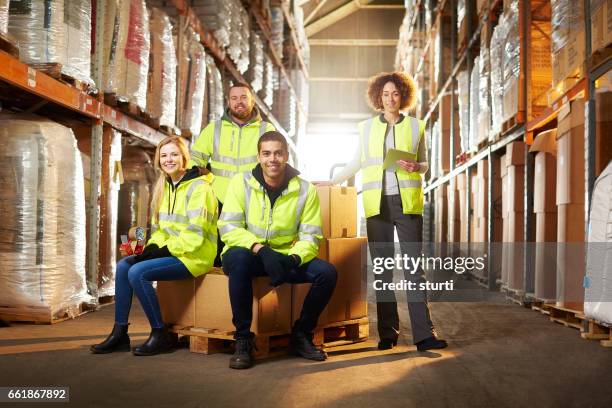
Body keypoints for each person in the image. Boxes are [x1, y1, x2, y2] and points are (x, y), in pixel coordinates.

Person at [319, 72, 447, 352]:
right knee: (383, 270)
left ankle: (424, 335)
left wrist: (418, 168)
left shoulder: (416, 126)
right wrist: (334, 180)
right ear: (378, 96)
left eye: (395, 94)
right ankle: (387, 334)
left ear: (403, 97)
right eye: (386, 94)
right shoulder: (366, 128)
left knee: (414, 270)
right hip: (377, 206)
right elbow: (356, 161)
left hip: (407, 204)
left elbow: (425, 163)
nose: (390, 99)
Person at [219, 131, 337, 369]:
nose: (272, 159)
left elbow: (310, 236)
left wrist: (293, 259)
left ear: (286, 155)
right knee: (239, 260)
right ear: (259, 157)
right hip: (248, 253)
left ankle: (301, 334)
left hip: (285, 257)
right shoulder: (240, 183)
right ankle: (242, 339)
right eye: (266, 153)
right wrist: (260, 249)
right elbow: (228, 227)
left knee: (327, 272)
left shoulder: (305, 190)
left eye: (277, 153)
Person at [91, 136, 218, 356]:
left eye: (174, 155)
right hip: (173, 251)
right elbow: (160, 230)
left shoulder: (200, 189)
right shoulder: (165, 187)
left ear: (184, 158)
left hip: (195, 255)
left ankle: (161, 334)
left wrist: (162, 251)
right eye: (165, 155)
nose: (169, 160)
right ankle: (120, 332)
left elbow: (195, 235)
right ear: (159, 160)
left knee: (138, 272)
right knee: (124, 266)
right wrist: (150, 249)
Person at [189, 82, 276, 265]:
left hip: (253, 200)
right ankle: (217, 291)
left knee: (248, 251)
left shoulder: (266, 130)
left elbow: (275, 164)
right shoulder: (214, 129)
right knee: (218, 252)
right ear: (228, 102)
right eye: (234, 98)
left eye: (244, 97)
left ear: (252, 101)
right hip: (219, 201)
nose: (239, 102)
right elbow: (195, 160)